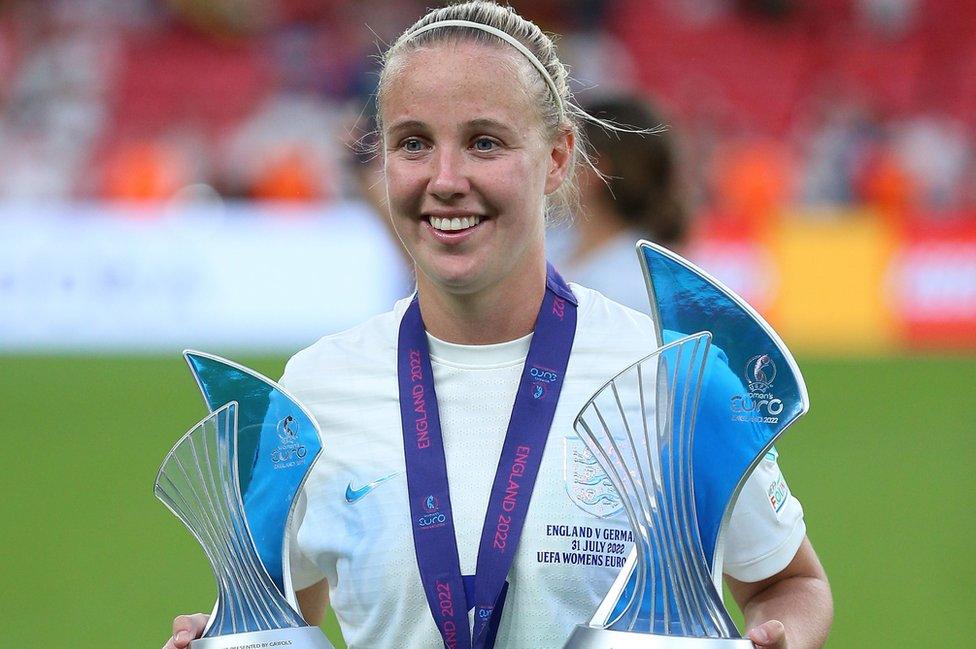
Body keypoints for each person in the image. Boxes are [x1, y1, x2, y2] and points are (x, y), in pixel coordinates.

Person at [165, 3, 833, 648]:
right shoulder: (313, 392)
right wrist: (226, 635)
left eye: (484, 142)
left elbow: (789, 579)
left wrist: (781, 638)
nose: (446, 178)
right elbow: (277, 615)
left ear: (557, 158)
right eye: (414, 143)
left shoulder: (672, 374)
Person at [549, 93, 691, 312]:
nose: (554, 162)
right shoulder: (554, 245)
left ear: (597, 169)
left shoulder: (636, 285)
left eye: (565, 153)